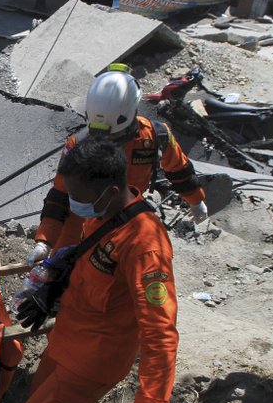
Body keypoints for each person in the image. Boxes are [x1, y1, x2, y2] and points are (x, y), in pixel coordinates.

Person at [6, 136, 178, 403]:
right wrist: (49, 288)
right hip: (68, 338)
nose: (74, 205)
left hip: (97, 357)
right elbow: (81, 266)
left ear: (111, 190)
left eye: (79, 196)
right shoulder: (101, 215)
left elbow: (161, 329)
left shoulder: (146, 245)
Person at [27, 64, 207, 266]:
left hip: (124, 220)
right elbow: (59, 195)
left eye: (114, 136)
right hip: (78, 221)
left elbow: (179, 169)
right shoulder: (78, 144)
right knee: (63, 270)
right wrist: (45, 241)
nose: (106, 141)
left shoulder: (156, 137)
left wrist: (196, 200)